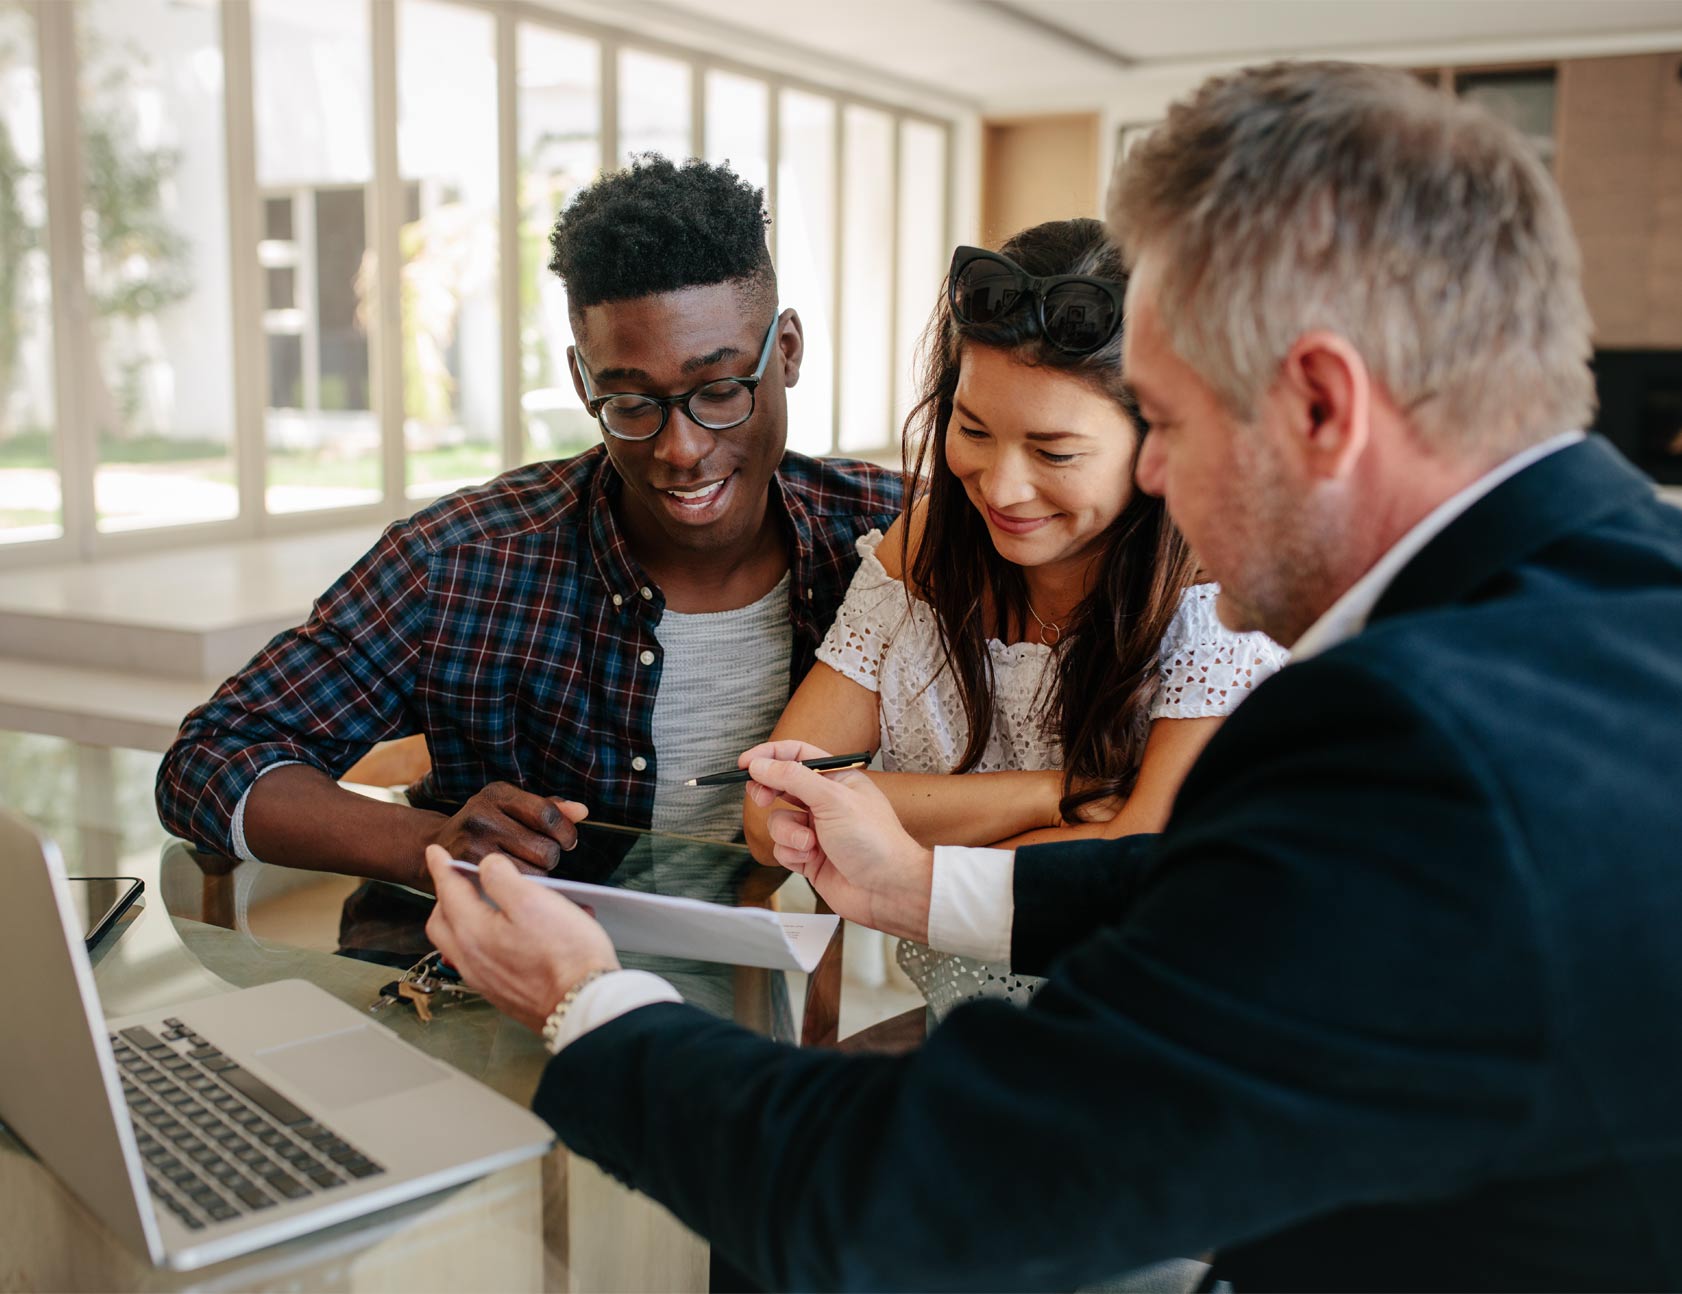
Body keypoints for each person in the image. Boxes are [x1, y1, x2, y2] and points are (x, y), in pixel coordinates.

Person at [423, 61, 1682, 1290]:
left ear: (1317, 405)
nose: (1149, 483)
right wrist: (925, 890)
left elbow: (911, 1199)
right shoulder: (1621, 598)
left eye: (1170, 424)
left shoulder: (1413, 736)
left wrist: (585, 999)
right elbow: (1217, 879)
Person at [154, 157, 902, 884]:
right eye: (632, 404)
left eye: (719, 390)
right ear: (582, 385)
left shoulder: (893, 541)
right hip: (486, 992)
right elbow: (210, 760)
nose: (682, 449)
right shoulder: (464, 562)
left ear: (790, 352)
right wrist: (428, 843)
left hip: (776, 995)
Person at [745, 217, 1284, 1018]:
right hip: (964, 1040)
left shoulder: (1216, 588)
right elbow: (776, 812)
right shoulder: (923, 549)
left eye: (1055, 452)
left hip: (1166, 1049)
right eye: (972, 430)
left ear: (1158, 440)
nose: (1000, 488)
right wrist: (1057, 795)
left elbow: (1138, 862)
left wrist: (894, 834)